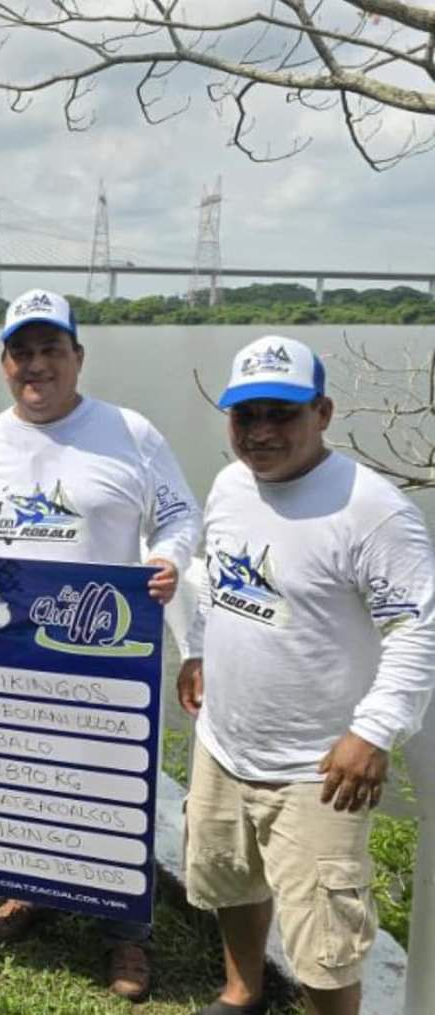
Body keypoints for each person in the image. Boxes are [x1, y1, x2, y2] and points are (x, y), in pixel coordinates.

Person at [0, 288, 201, 1000]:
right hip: (7, 653)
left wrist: (169, 559)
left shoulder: (129, 431)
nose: (36, 365)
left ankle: (124, 931)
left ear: (78, 356)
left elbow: (180, 516)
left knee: (111, 788)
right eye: (22, 352)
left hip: (105, 653)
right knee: (21, 775)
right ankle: (28, 888)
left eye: (51, 349)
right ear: (4, 363)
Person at [177, 336, 435, 1015]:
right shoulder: (231, 484)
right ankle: (242, 992)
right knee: (231, 878)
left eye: (282, 414)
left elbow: (418, 628)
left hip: (318, 768)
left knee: (326, 941)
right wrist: (198, 650)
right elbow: (219, 583)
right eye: (246, 414)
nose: (260, 432)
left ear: (322, 412)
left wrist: (372, 731)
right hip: (224, 741)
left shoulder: (372, 510)